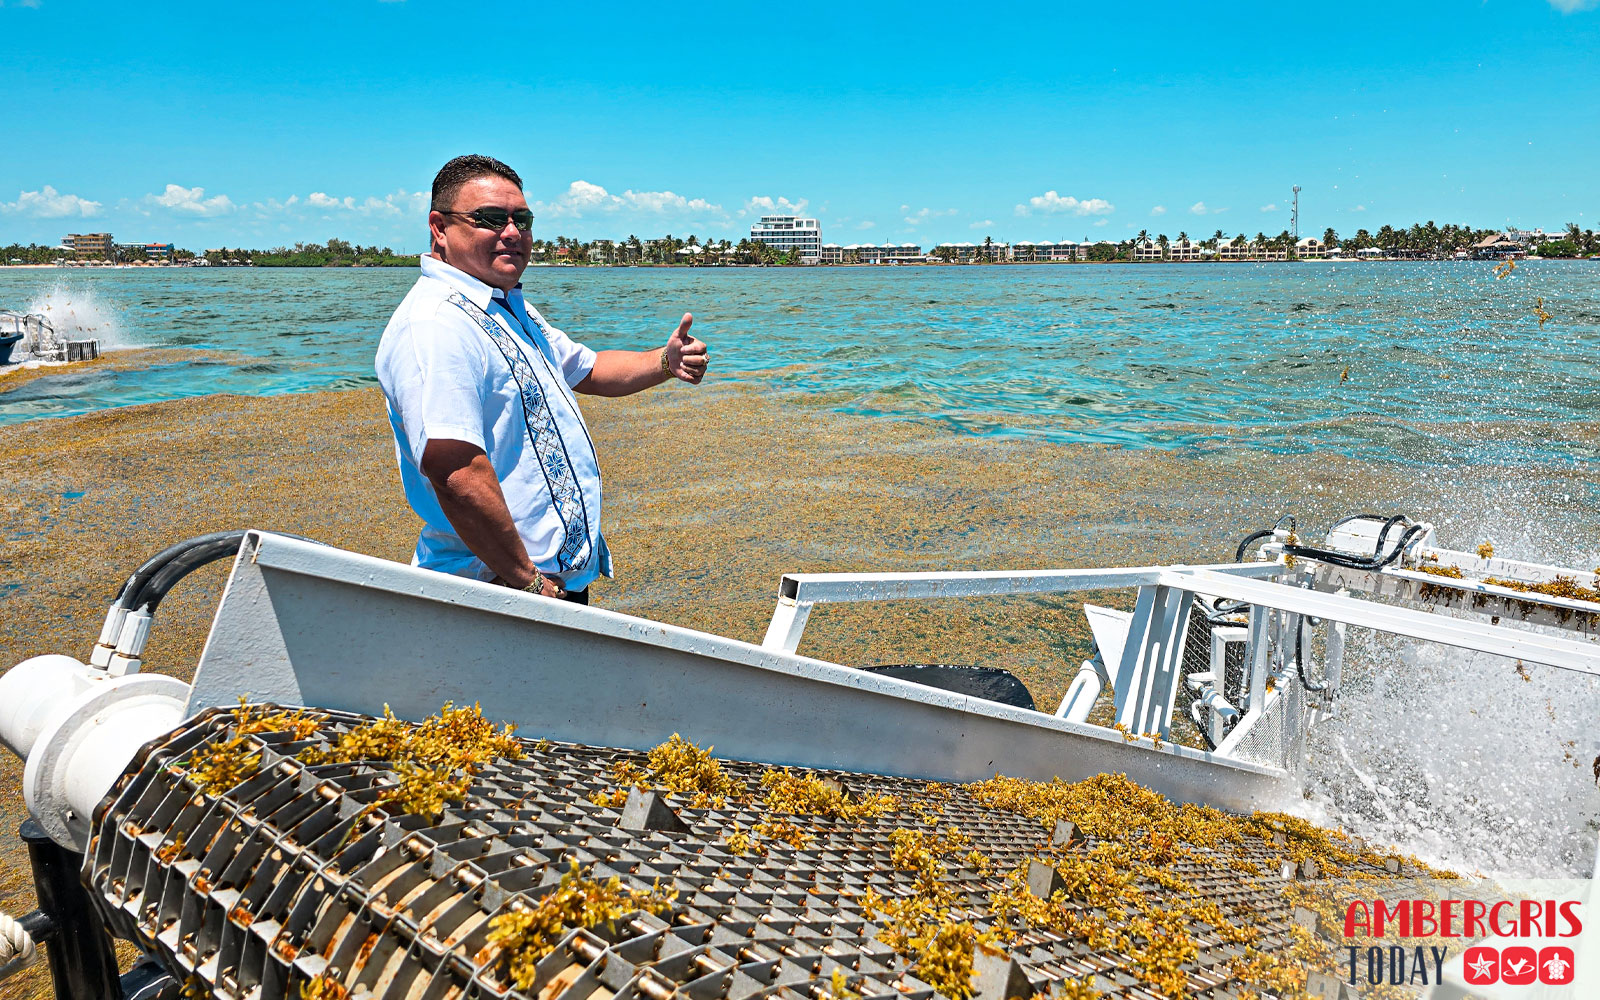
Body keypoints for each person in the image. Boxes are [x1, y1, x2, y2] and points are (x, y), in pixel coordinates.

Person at [375, 154, 708, 603]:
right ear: (439, 227)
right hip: (495, 590)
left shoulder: (507, 307)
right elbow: (454, 469)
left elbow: (587, 368)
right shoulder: (437, 324)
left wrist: (664, 363)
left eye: (522, 219)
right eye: (490, 218)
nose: (512, 233)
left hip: (538, 586)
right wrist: (524, 578)